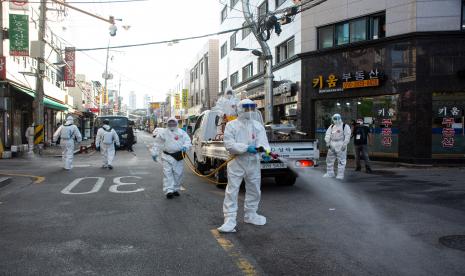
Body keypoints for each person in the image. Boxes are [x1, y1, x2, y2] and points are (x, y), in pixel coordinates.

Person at [217, 99, 271, 233]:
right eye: (247, 108)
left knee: (254, 189)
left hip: (253, 162)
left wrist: (265, 151)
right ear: (240, 109)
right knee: (232, 191)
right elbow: (229, 145)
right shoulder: (231, 125)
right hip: (237, 163)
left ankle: (251, 214)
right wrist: (247, 148)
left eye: (252, 108)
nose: (249, 111)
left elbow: (263, 142)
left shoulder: (258, 125)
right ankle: (229, 219)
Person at [151, 117, 192, 199]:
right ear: (167, 124)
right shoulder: (163, 133)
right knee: (167, 174)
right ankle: (169, 190)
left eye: (173, 123)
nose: (171, 124)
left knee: (178, 174)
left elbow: (187, 141)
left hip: (178, 156)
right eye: (170, 123)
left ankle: (175, 189)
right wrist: (154, 153)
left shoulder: (181, 133)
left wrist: (185, 147)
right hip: (167, 156)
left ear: (176, 123)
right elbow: (157, 143)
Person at [324, 113, 351, 180]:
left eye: (337, 118)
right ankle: (330, 173)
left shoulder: (345, 126)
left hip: (340, 143)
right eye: (334, 118)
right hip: (332, 143)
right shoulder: (332, 126)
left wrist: (345, 144)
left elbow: (347, 136)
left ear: (340, 118)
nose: (335, 120)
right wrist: (327, 142)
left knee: (341, 160)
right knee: (329, 159)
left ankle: (340, 174)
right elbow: (327, 134)